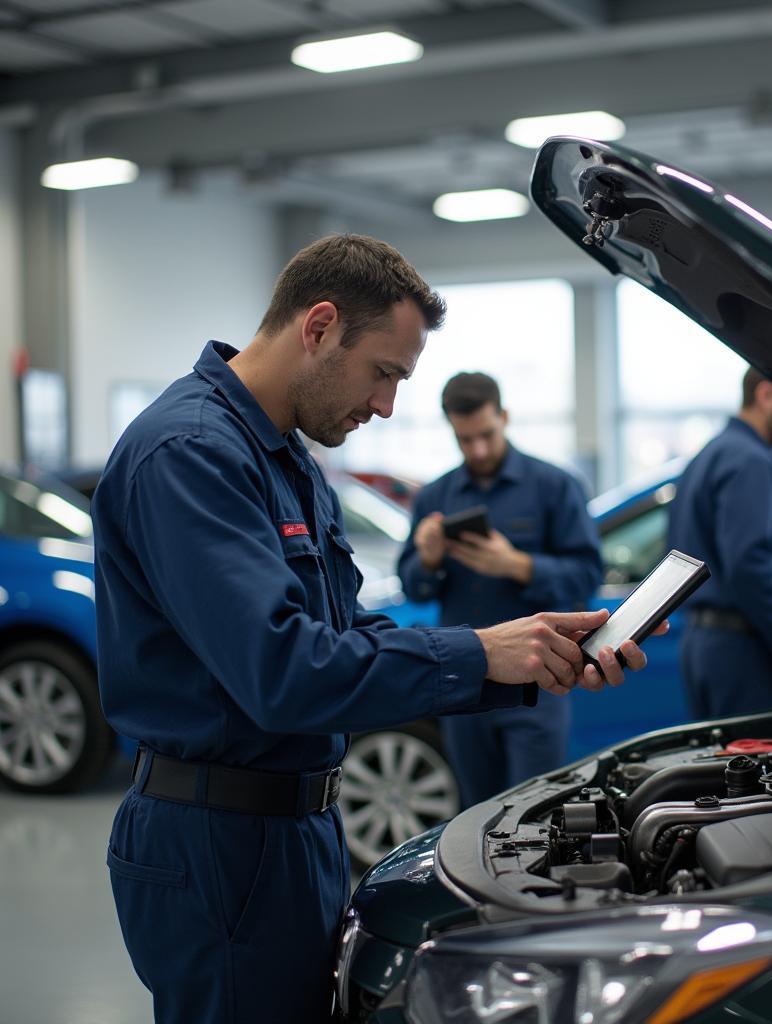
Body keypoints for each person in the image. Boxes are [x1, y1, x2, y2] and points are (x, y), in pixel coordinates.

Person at [92, 234, 653, 1024]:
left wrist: (517, 658)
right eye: (383, 373)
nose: (386, 405)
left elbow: (343, 630)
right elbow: (284, 669)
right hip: (218, 839)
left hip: (295, 828)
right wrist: (478, 651)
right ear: (318, 326)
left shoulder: (285, 460)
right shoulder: (190, 455)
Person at [397, 372, 603, 806]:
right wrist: (429, 559)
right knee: (475, 817)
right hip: (465, 685)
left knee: (533, 815)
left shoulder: (554, 487)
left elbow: (586, 575)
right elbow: (412, 585)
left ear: (504, 416)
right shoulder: (435, 497)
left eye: (486, 435)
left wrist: (519, 565)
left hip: (536, 684)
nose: (479, 450)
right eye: (465, 439)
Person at [667, 366, 772, 720]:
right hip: (745, 652)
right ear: (767, 395)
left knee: (719, 771)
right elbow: (748, 561)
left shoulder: (708, 455)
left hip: (704, 645)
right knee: (758, 771)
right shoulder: (749, 460)